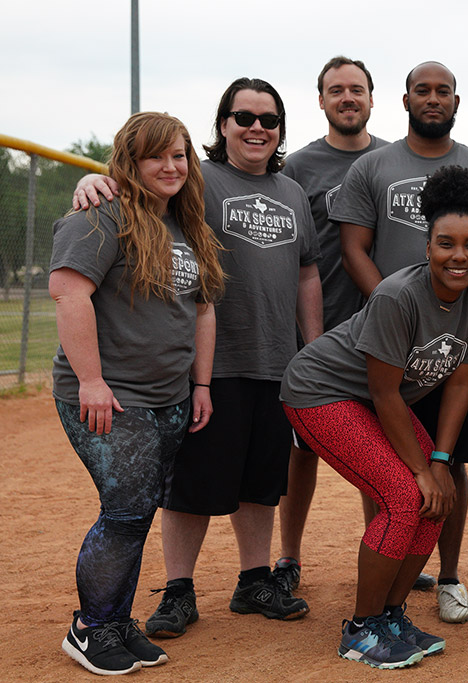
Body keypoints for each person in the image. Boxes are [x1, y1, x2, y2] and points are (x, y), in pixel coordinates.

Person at [73, 77, 323, 638]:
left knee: (262, 479)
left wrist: (312, 346)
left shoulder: (292, 193)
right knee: (190, 485)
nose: (257, 127)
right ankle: (178, 590)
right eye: (244, 117)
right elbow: (138, 191)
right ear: (222, 125)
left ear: (281, 130)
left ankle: (253, 580)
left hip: (276, 359)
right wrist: (95, 180)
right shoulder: (196, 179)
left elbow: (308, 271)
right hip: (208, 362)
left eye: (269, 119)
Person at [281, 165, 468, 669]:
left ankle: (391, 614)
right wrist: (423, 470)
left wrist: (442, 461)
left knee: (436, 500)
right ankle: (360, 629)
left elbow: (462, 379)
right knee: (407, 495)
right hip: (320, 392)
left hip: (374, 400)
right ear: (427, 247)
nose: (459, 256)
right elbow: (384, 393)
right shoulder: (397, 295)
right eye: (446, 243)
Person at [331, 61, 468, 622]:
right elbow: (354, 247)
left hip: (451, 346)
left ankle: (450, 575)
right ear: (404, 99)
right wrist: (400, 309)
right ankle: (391, 553)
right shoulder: (373, 166)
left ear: (458, 100)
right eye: (422, 90)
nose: (433, 99)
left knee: (448, 460)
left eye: (443, 91)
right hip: (389, 345)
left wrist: (465, 303)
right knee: (388, 464)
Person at [53, 112, 224, 675]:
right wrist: (92, 381)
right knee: (126, 509)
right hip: (110, 395)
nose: (171, 166)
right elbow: (69, 293)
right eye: (157, 156)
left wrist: (200, 383)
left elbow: (201, 309)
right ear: (130, 161)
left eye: (179, 155)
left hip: (170, 396)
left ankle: (116, 619)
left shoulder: (186, 224)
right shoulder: (101, 215)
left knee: (140, 508)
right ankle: (91, 628)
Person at [272, 55, 390, 593]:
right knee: (302, 449)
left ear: (371, 97)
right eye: (336, 89)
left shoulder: (394, 160)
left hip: (382, 330)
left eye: (357, 89)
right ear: (320, 100)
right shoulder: (297, 166)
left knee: (380, 445)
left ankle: (386, 544)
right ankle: (289, 557)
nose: (348, 97)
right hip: (316, 326)